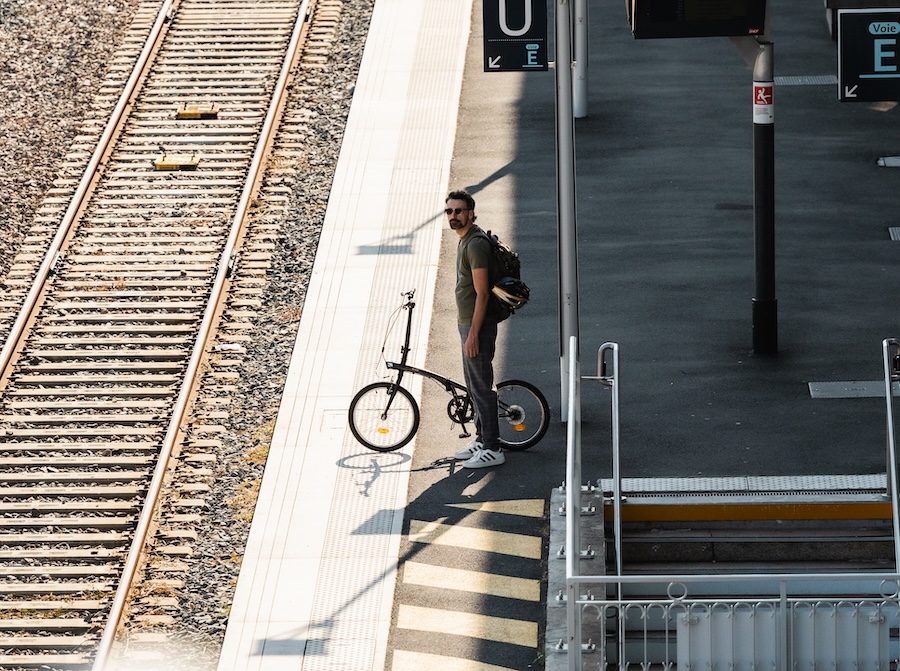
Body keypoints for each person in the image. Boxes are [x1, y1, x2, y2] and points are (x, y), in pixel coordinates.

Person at [445, 189, 504, 468]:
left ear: (471, 212)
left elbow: (482, 294)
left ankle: (493, 448)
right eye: (449, 211)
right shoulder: (465, 240)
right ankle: (482, 439)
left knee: (481, 387)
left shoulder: (475, 245)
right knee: (474, 385)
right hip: (467, 323)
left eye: (458, 211)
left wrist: (473, 335)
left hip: (476, 326)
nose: (453, 216)